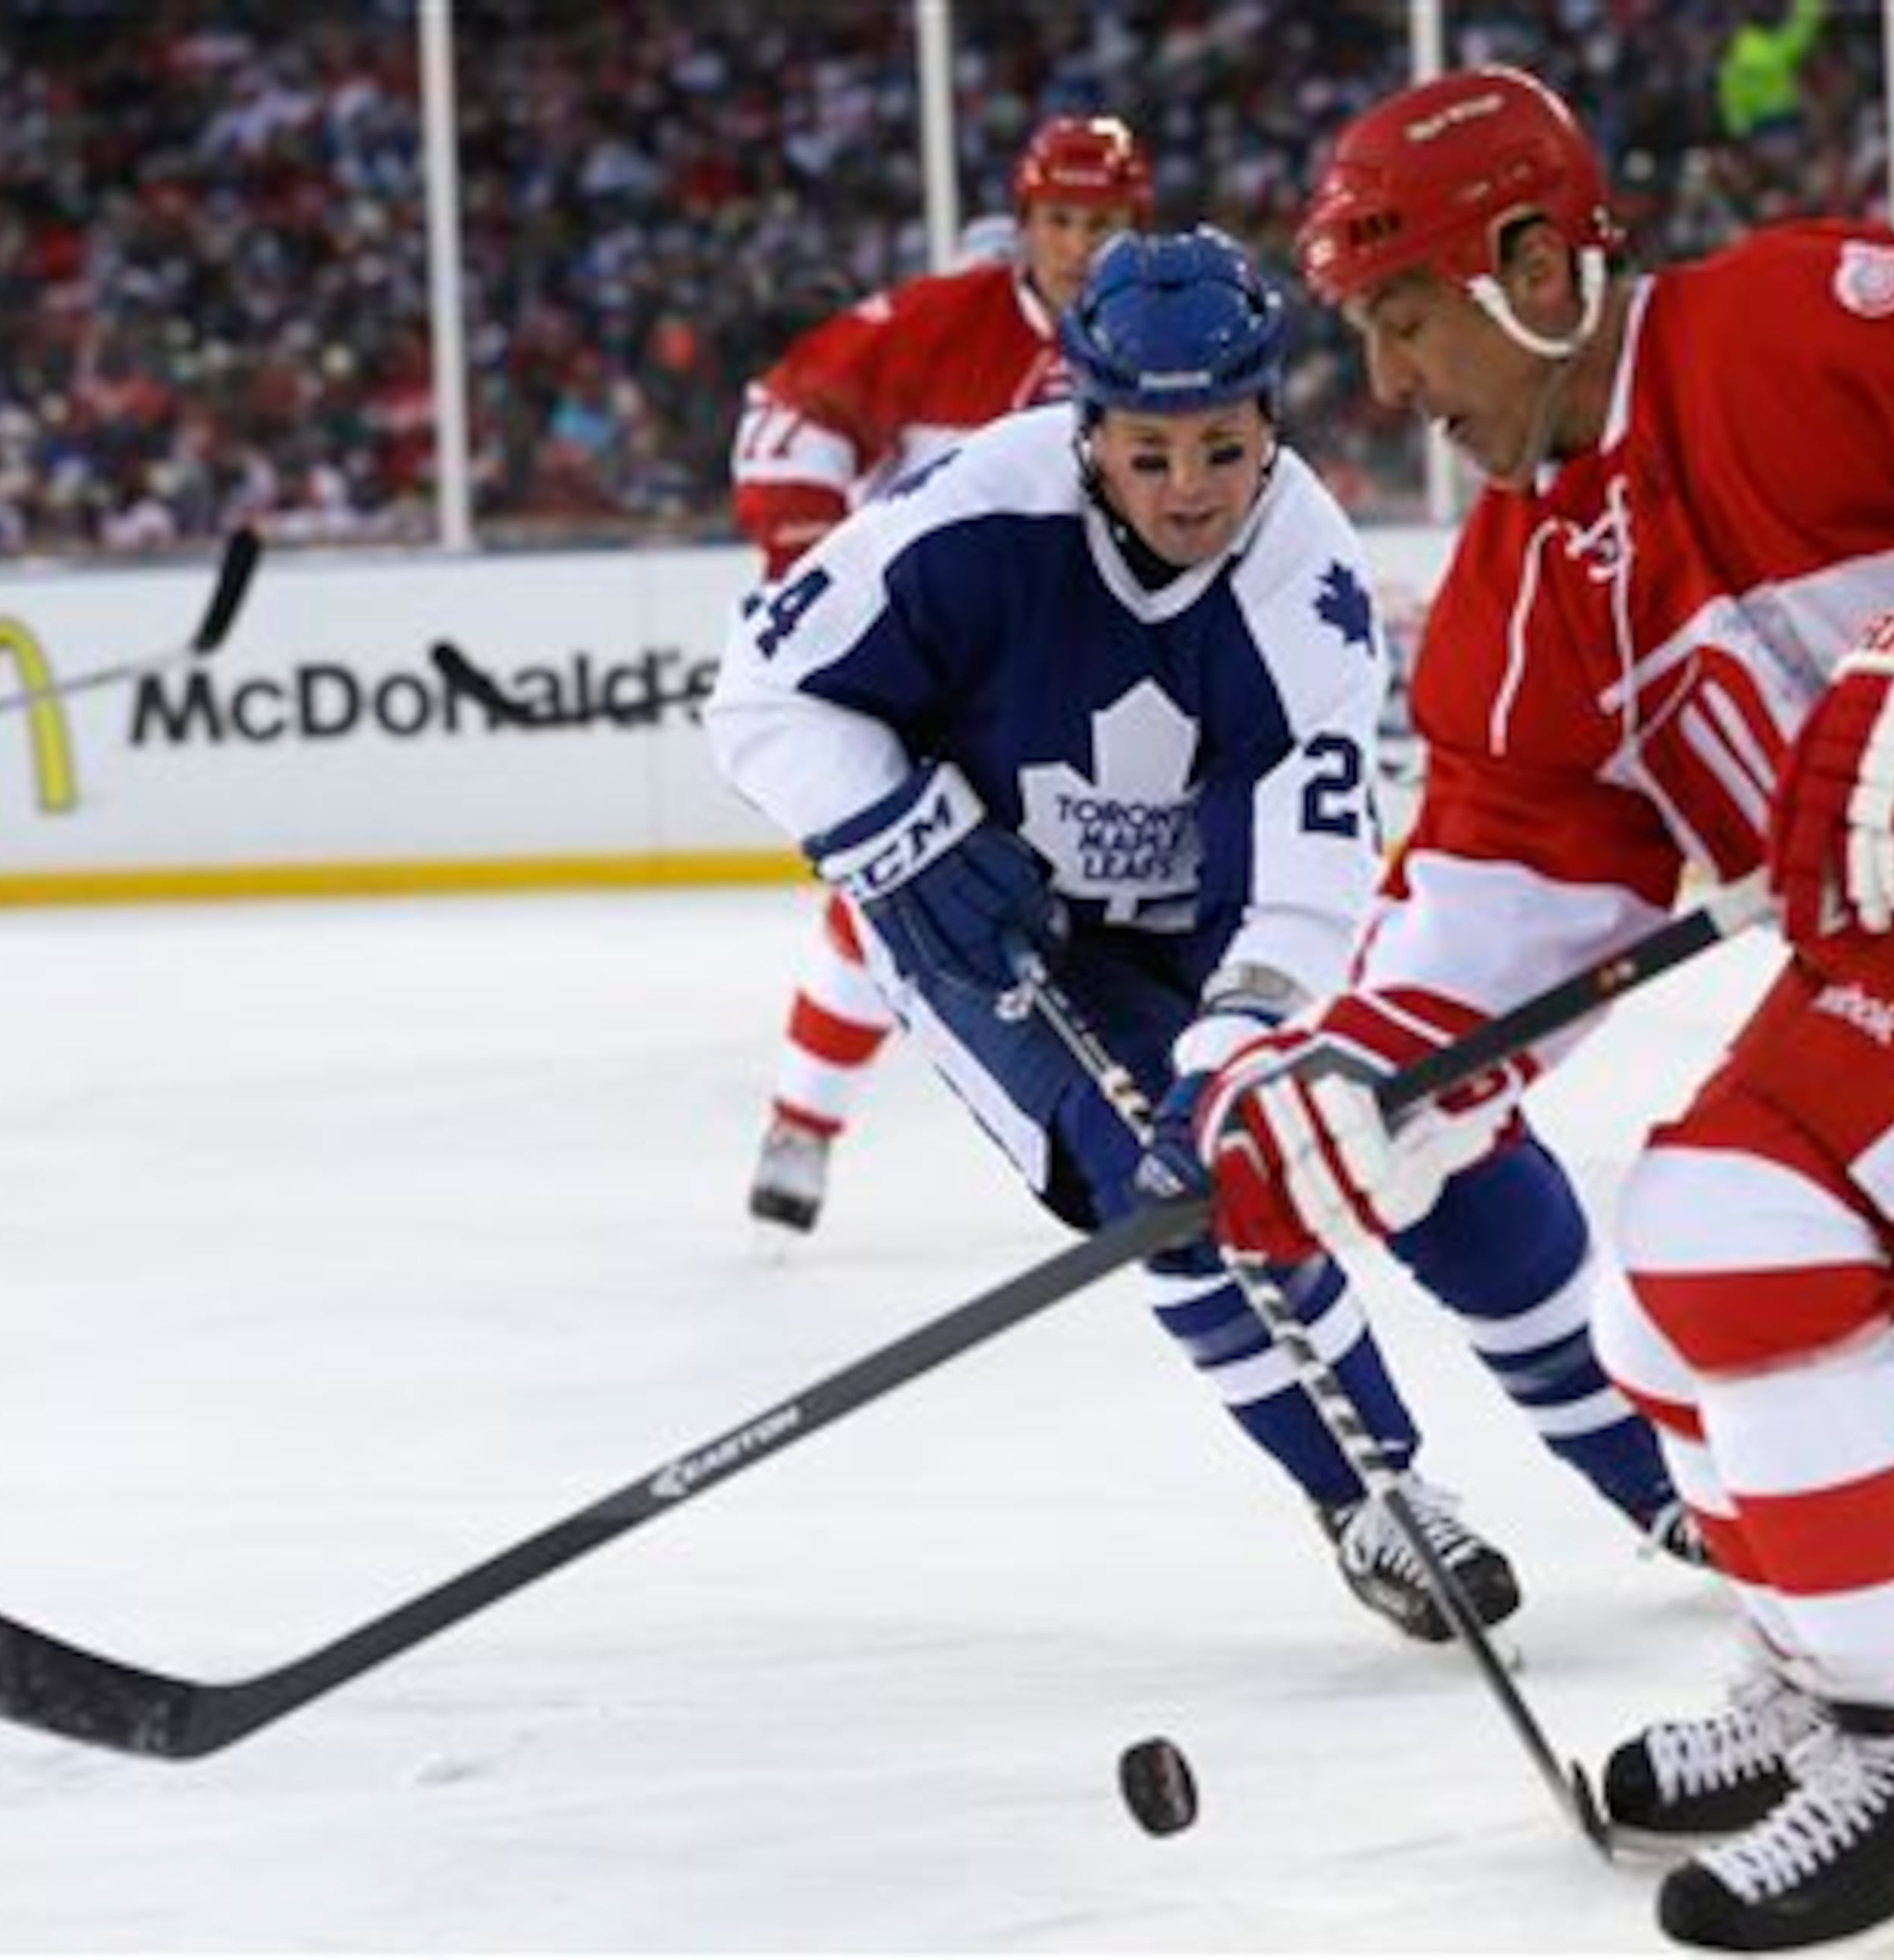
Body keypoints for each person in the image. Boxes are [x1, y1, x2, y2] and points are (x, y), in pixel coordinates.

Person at [1184, 68, 1894, 1952]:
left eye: (1400, 320)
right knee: (1658, 1291)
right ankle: (1827, 1682)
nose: (1387, 389)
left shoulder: (1786, 325)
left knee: (1743, 1233)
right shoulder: (1516, 587)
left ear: (1532, 258)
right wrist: (1361, 1076)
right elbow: (1505, 887)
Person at [710, 228, 1692, 1644]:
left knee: (1425, 1131)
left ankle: (1650, 1468)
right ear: (1085, 423)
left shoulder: (1309, 579)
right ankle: (1371, 1493)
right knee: (1161, 1196)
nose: (1190, 492)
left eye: (1223, 451)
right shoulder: (969, 515)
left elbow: (1309, 868)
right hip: (1009, 935)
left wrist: (1233, 1054)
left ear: (1270, 425)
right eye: (1149, 452)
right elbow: (760, 692)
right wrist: (896, 830)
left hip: (1227, 919)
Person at [733, 115, 1153, 1236]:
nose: (1079, 246)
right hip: (949, 665)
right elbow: (788, 419)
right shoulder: (938, 326)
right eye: (1059, 221)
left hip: (1105, 663)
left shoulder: (1162, 336)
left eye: (1104, 223)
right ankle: (804, 1123)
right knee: (908, 879)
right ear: (1022, 225)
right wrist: (804, 579)